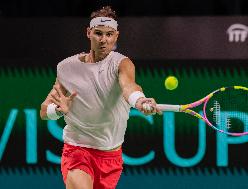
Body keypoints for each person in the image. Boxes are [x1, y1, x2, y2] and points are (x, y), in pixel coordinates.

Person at [40, 6, 160, 189]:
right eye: (98, 33)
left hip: (110, 156)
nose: (104, 40)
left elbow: (129, 86)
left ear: (116, 36)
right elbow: (43, 111)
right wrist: (56, 110)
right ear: (88, 33)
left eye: (109, 34)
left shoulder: (122, 63)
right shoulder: (67, 68)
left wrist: (139, 100)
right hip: (77, 150)